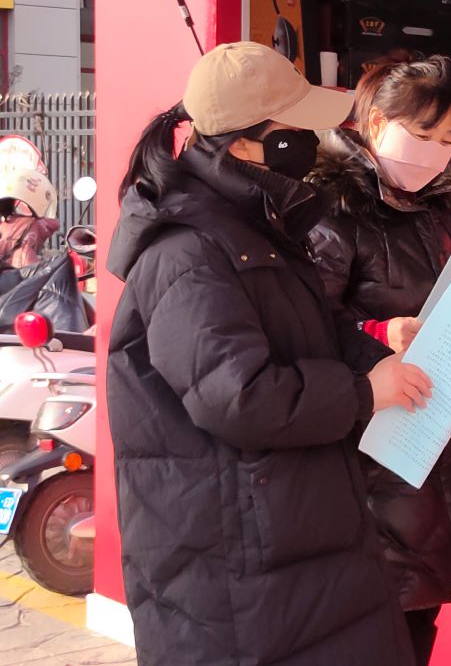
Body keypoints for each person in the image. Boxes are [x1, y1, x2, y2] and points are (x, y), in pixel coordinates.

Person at [106, 42, 432, 666]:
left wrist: (375, 352)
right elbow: (239, 396)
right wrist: (364, 393)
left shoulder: (254, 226)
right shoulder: (187, 254)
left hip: (285, 536)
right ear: (246, 145)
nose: (312, 142)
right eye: (296, 128)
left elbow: (307, 325)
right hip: (235, 560)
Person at [308, 52, 451, 663]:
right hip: (368, 451)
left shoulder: (439, 213)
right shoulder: (331, 209)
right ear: (377, 123)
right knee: (371, 627)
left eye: (448, 141)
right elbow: (302, 325)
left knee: (416, 623)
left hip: (437, 445)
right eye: (422, 134)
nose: (435, 153)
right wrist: (380, 332)